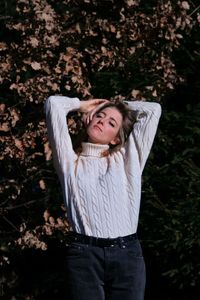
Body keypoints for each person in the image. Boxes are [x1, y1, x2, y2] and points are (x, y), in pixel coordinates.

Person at [44, 95, 161, 300]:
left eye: (111, 122)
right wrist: (82, 105)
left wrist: (118, 104)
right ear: (89, 118)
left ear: (115, 138)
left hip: (127, 255)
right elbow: (53, 103)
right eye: (99, 115)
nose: (101, 121)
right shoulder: (69, 163)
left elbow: (153, 110)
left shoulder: (127, 160)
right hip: (84, 255)